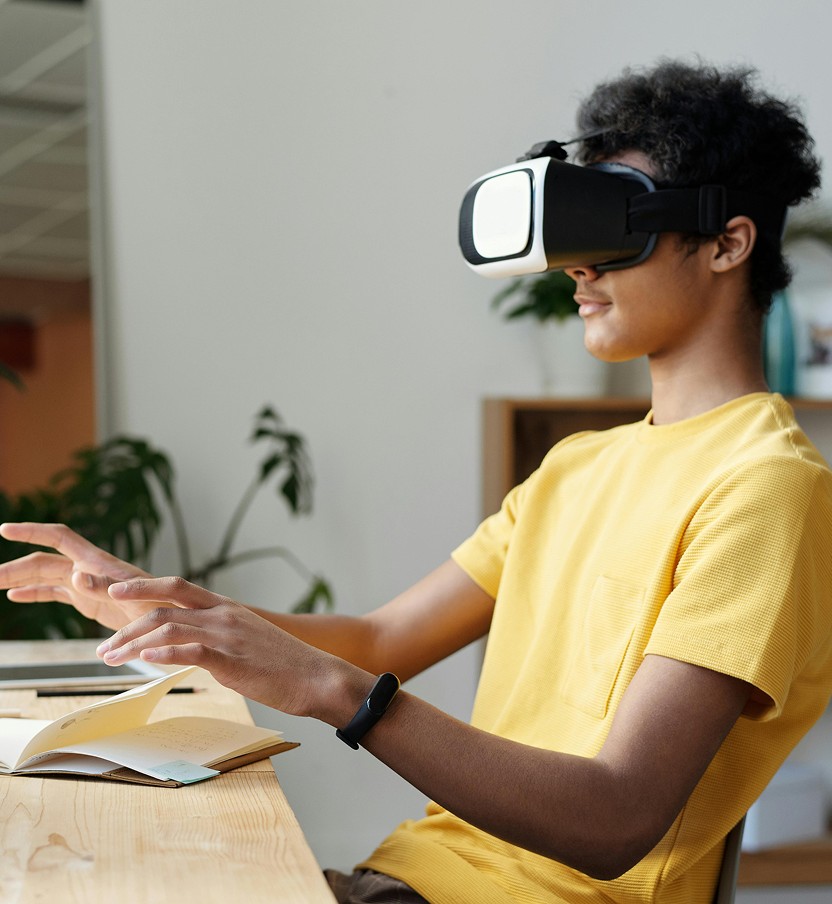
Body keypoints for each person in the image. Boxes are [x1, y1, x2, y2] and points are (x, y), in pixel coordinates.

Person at [2, 59, 832, 904]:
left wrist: (335, 693)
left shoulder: (766, 487)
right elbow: (378, 641)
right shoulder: (579, 466)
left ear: (728, 242)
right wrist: (174, 613)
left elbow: (617, 817)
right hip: (400, 879)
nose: (577, 268)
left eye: (614, 227)